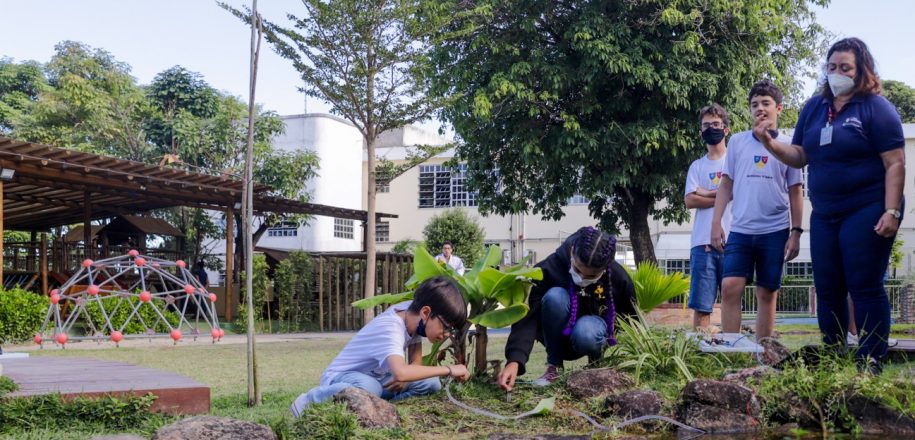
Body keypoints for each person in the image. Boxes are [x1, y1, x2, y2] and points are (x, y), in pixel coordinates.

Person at [755, 38, 905, 372]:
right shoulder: (814, 107)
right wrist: (770, 142)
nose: (837, 73)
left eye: (845, 67)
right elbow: (799, 156)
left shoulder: (876, 108)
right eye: (832, 66)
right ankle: (832, 357)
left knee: (863, 283)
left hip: (868, 207)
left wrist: (892, 211)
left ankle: (871, 359)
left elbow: (895, 162)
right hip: (825, 212)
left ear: (861, 69)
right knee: (827, 286)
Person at [290, 276, 470, 416]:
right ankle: (309, 400)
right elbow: (401, 372)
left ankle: (380, 404)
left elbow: (414, 365)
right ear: (425, 313)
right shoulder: (390, 327)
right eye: (446, 327)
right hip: (343, 377)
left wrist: (405, 376)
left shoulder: (411, 314)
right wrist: (449, 369)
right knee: (372, 387)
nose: (446, 334)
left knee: (431, 384)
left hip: (377, 379)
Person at [711, 79, 804, 339]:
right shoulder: (738, 143)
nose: (759, 109)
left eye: (766, 103)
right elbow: (726, 185)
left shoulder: (790, 145)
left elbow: (796, 190)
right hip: (740, 229)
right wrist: (716, 222)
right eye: (754, 104)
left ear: (779, 109)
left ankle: (763, 350)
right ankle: (733, 347)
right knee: (730, 286)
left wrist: (796, 231)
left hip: (774, 230)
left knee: (767, 291)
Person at [497, 227, 638, 391]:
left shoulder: (618, 278)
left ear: (605, 268)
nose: (582, 278)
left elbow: (631, 321)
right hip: (556, 336)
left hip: (591, 337)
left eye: (591, 276)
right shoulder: (548, 268)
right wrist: (515, 359)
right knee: (555, 296)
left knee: (586, 330)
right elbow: (529, 315)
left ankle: (595, 365)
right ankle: (554, 367)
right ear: (572, 252)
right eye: (577, 270)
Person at [685, 103, 732, 330]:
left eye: (715, 124)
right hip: (702, 243)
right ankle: (700, 353)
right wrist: (723, 195)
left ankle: (736, 351)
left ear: (726, 129)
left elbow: (740, 192)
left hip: (734, 241)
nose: (711, 128)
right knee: (702, 306)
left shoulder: (735, 160)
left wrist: (704, 191)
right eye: (706, 125)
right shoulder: (696, 166)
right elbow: (689, 200)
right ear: (700, 131)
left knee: (733, 302)